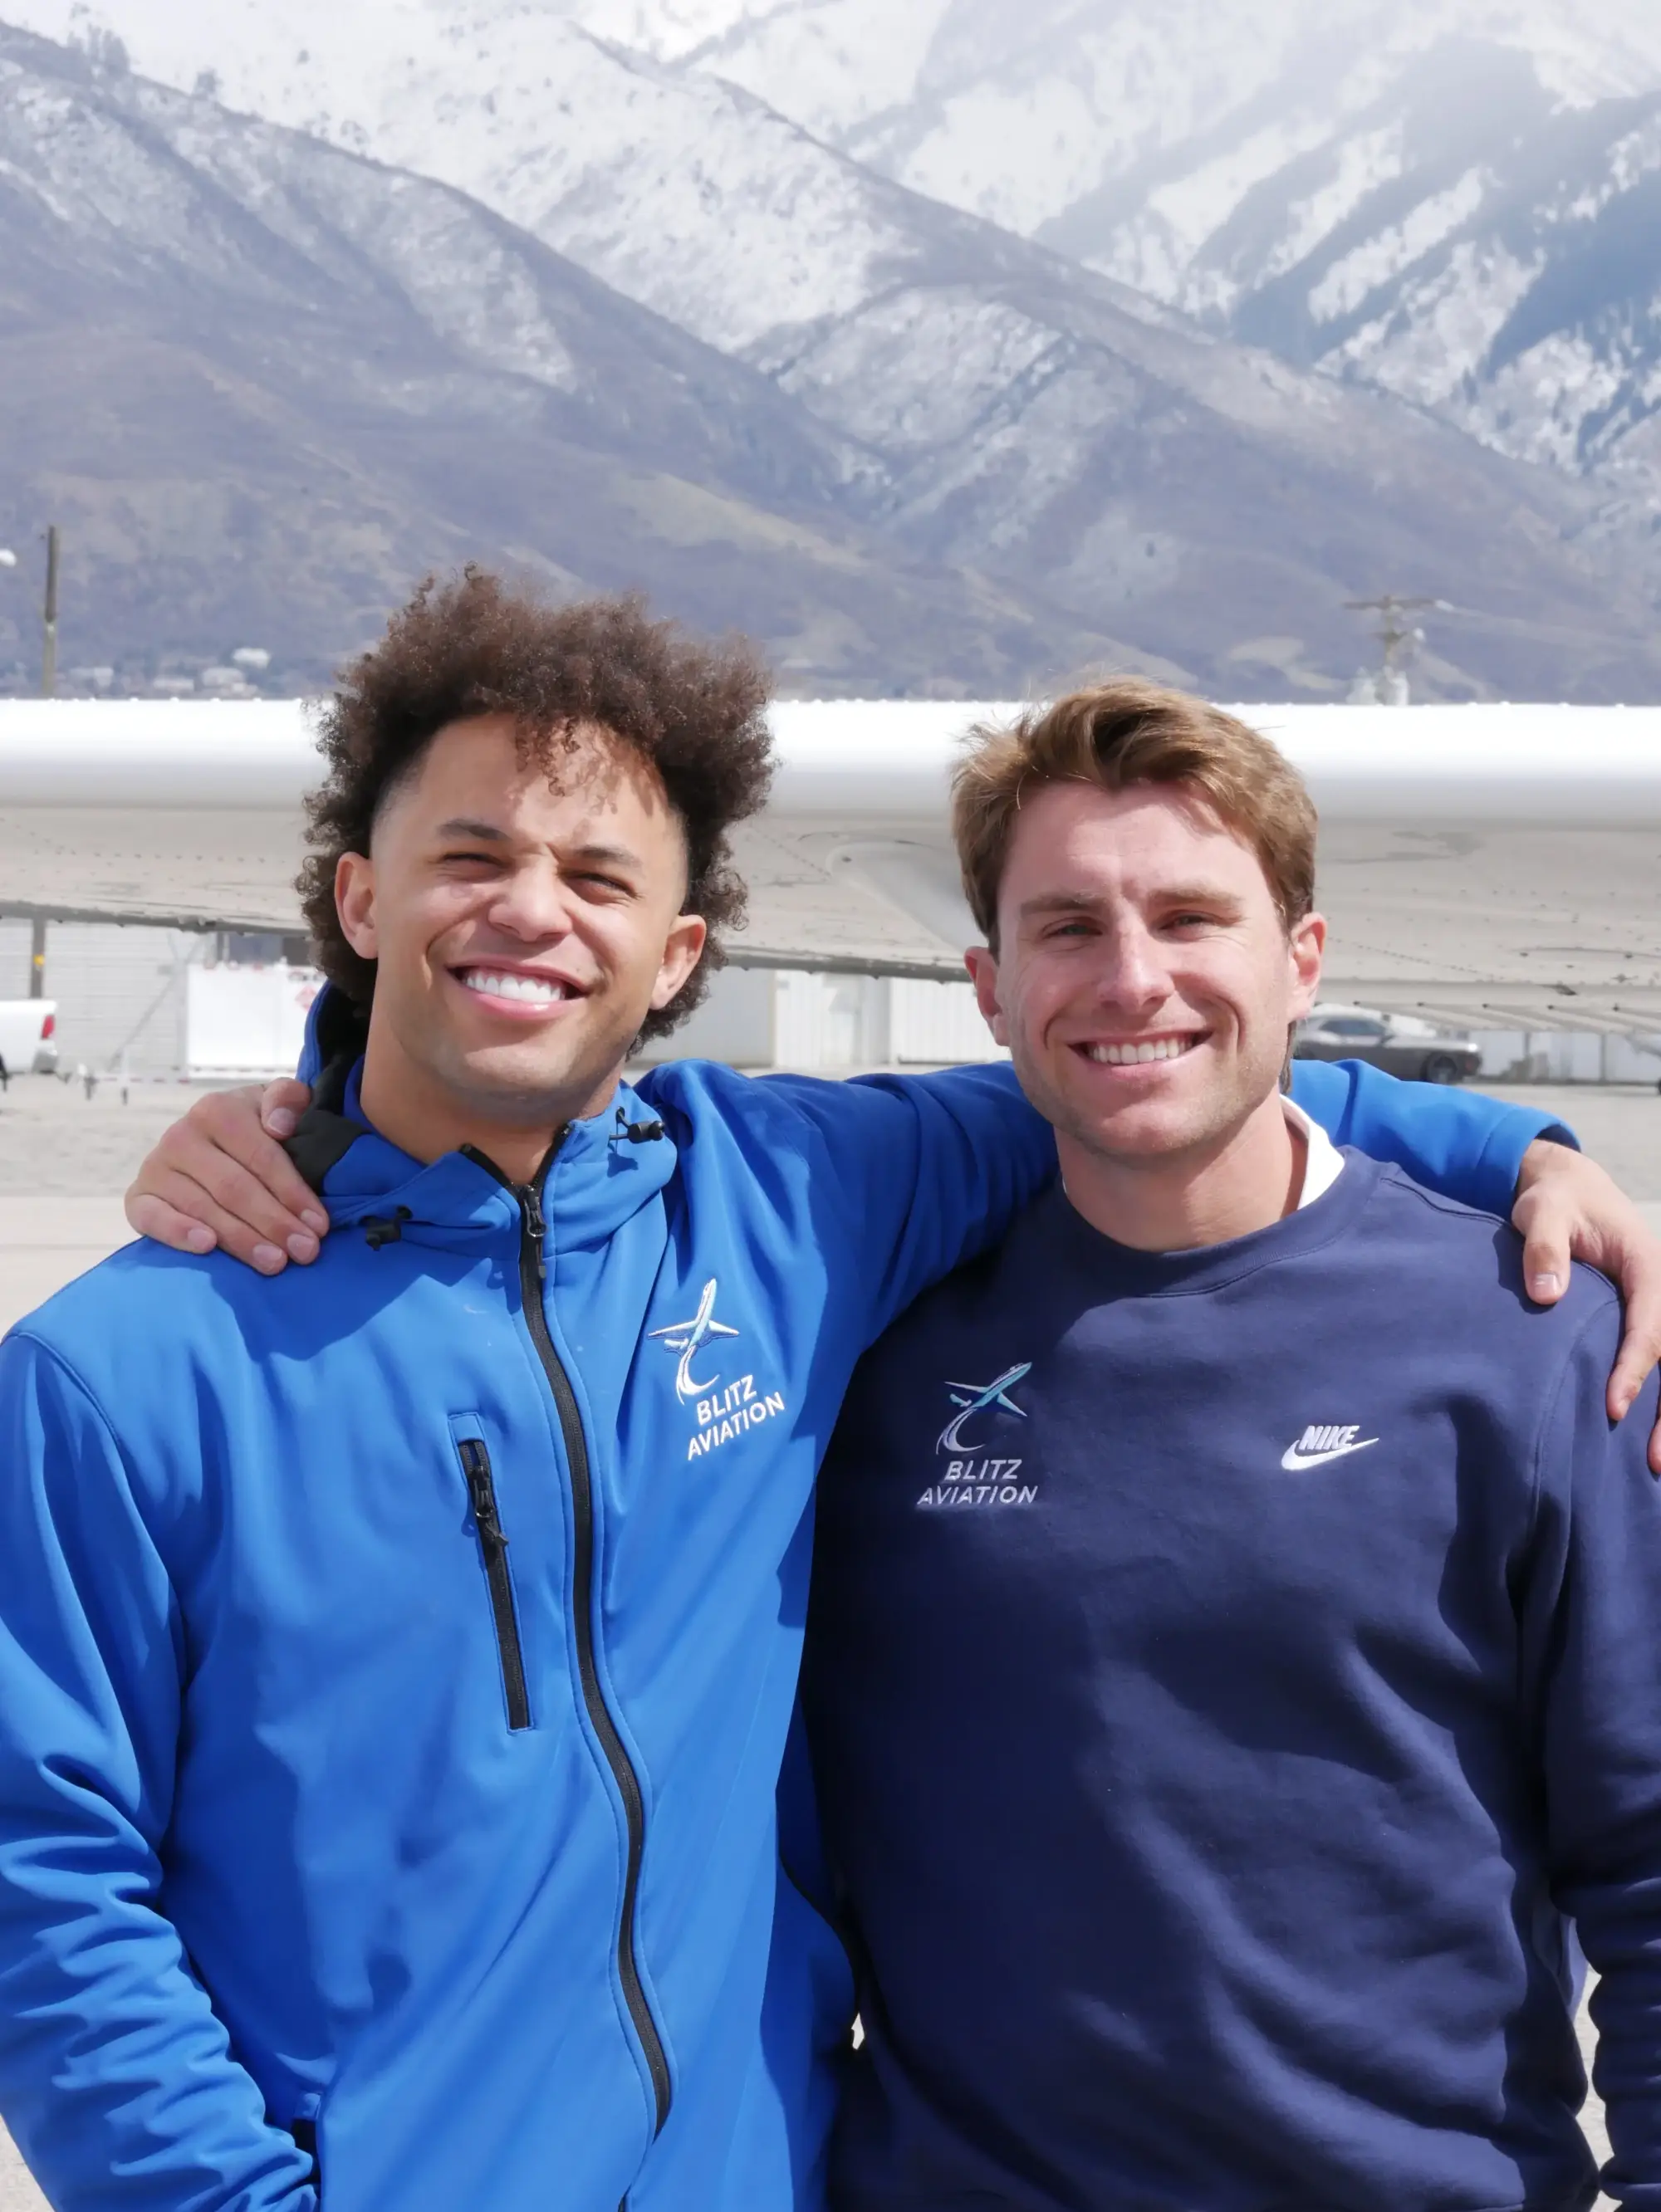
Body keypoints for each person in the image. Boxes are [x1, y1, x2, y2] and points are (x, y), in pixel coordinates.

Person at [17, 575, 1653, 2212]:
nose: (531, 913)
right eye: (471, 857)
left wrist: (1518, 1147)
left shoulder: (790, 1205)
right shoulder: (122, 1374)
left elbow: (1156, 1073)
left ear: (676, 956)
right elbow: (44, 1888)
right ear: (359, 900)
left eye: (597, 876)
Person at [803, 680, 1661, 2210]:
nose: (1133, 979)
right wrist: (291, 1124)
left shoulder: (1533, 1340)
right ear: (988, 990)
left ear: (1302, 964)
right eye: (1067, 927)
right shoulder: (859, 1356)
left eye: (1192, 918)